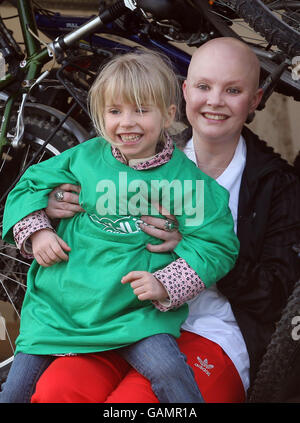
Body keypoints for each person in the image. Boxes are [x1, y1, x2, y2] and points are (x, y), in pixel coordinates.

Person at [24, 37, 300, 404]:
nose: (215, 100)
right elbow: (85, 231)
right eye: (203, 86)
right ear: (184, 93)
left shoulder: (277, 184)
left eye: (233, 90)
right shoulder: (132, 148)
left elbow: (278, 294)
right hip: (120, 319)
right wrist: (53, 204)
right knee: (56, 392)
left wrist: (187, 246)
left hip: (214, 330)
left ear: (256, 99)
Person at [0, 50, 239, 403]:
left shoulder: (187, 183)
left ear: (168, 115)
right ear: (101, 116)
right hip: (61, 309)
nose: (127, 122)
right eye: (115, 111)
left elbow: (216, 243)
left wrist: (165, 283)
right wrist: (38, 230)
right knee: (16, 391)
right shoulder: (84, 158)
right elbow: (29, 185)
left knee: (171, 372)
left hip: (134, 315)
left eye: (141, 110)